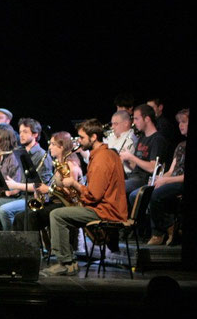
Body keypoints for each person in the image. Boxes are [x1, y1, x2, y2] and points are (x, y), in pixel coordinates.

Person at [42, 118, 127, 276]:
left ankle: (66, 263)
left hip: (105, 211)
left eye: (81, 137)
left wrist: (74, 184)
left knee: (57, 215)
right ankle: (69, 260)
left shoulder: (101, 159)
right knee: (61, 213)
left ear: (93, 137)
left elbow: (94, 195)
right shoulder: (106, 154)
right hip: (105, 207)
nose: (78, 141)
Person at [0, 117, 53, 231]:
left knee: (4, 210)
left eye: (25, 132)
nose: (21, 135)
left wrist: (16, 186)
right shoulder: (21, 152)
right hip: (20, 196)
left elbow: (42, 186)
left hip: (33, 199)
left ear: (35, 134)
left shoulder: (42, 155)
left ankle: (11, 244)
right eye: (20, 132)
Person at [12, 131, 83, 234]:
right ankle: (22, 247)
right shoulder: (59, 165)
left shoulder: (71, 166)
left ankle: (34, 248)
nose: (49, 147)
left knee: (32, 217)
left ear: (62, 146)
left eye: (53, 144)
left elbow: (71, 195)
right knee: (19, 217)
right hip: (54, 203)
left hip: (65, 205)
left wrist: (48, 189)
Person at [147, 108, 188, 246]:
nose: (180, 125)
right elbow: (171, 170)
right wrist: (159, 178)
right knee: (148, 191)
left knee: (157, 195)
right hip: (173, 180)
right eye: (179, 122)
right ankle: (164, 230)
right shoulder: (181, 145)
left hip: (180, 182)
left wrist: (166, 180)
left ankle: (163, 230)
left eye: (184, 122)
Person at [121, 104, 169, 206]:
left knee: (118, 187)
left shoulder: (157, 139)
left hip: (145, 180)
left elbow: (153, 167)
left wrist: (131, 156)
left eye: (137, 119)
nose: (134, 122)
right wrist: (125, 158)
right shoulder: (142, 138)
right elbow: (135, 166)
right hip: (134, 176)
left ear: (147, 119)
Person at [105, 110, 138, 174]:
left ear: (126, 123)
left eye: (115, 124)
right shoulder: (111, 137)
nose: (112, 127)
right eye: (112, 124)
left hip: (124, 175)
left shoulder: (131, 139)